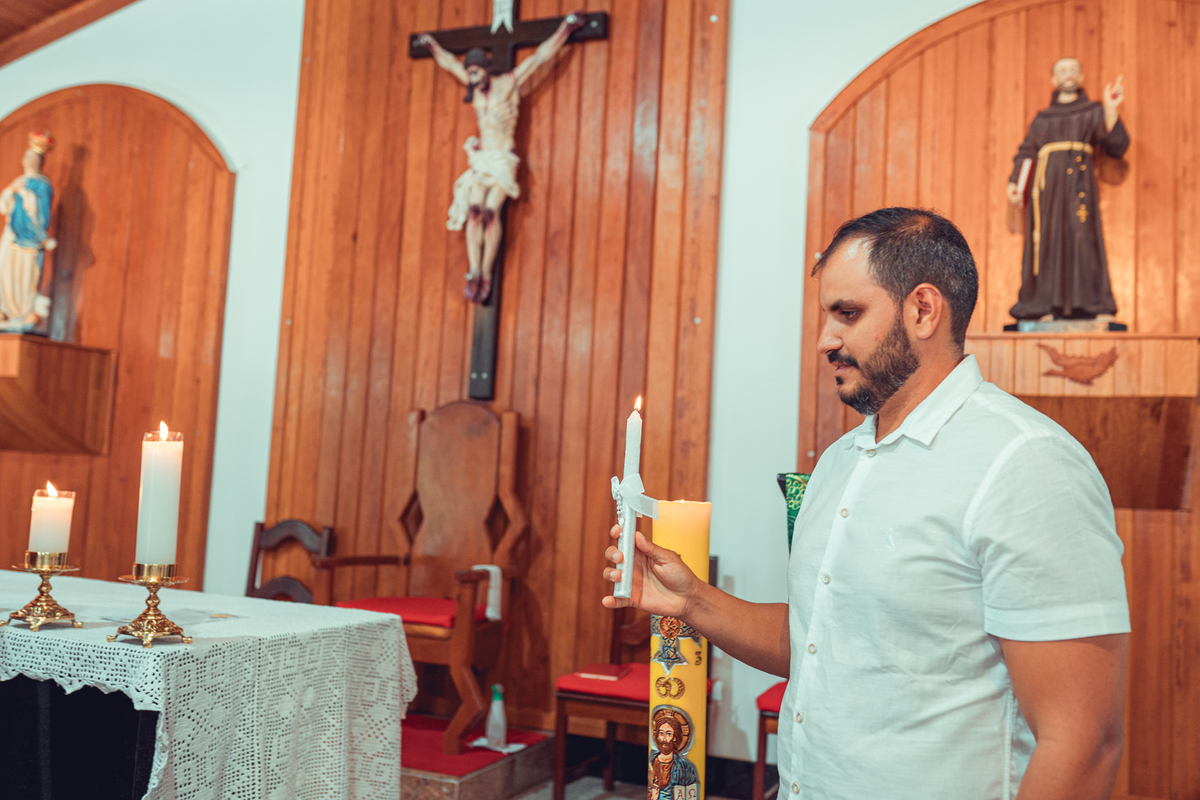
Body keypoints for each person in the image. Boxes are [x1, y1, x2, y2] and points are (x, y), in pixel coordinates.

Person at [605, 207, 1130, 799]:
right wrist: (692, 599)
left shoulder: (1024, 463)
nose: (826, 340)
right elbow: (819, 640)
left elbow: (1083, 742)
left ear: (923, 310)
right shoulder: (841, 461)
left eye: (847, 314)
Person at [418, 11, 585, 304]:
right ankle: (474, 272)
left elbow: (540, 57)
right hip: (483, 160)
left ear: (486, 70)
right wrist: (432, 46)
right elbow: (448, 62)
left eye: (475, 71)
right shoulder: (474, 90)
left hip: (502, 159)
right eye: (469, 72)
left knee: (490, 212)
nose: (470, 76)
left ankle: (487, 270)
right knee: (474, 211)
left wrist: (565, 29)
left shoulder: (508, 83)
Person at [1006, 57, 1128, 321]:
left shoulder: (1092, 111)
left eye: (1073, 70)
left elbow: (1116, 145)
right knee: (1046, 240)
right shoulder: (1042, 118)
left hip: (1079, 184)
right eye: (1062, 71)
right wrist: (1016, 182)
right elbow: (1027, 152)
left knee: (1083, 237)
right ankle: (1043, 305)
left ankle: (1090, 304)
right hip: (1046, 188)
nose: (1068, 74)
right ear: (1054, 79)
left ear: (1081, 76)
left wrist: (1110, 107)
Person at [0, 130, 56, 331]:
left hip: (29, 239)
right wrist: (13, 190)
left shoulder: (42, 185)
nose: (27, 160)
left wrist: (26, 196)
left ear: (39, 161)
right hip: (12, 234)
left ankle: (22, 314)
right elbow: (4, 205)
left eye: (32, 157)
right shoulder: (19, 181)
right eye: (26, 156)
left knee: (25, 277)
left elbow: (40, 215)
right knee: (5, 272)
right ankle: (6, 311)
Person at [648, 710, 699, 800]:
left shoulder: (684, 767)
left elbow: (691, 796)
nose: (664, 738)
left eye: (669, 734)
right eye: (661, 733)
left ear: (675, 737)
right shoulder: (651, 762)